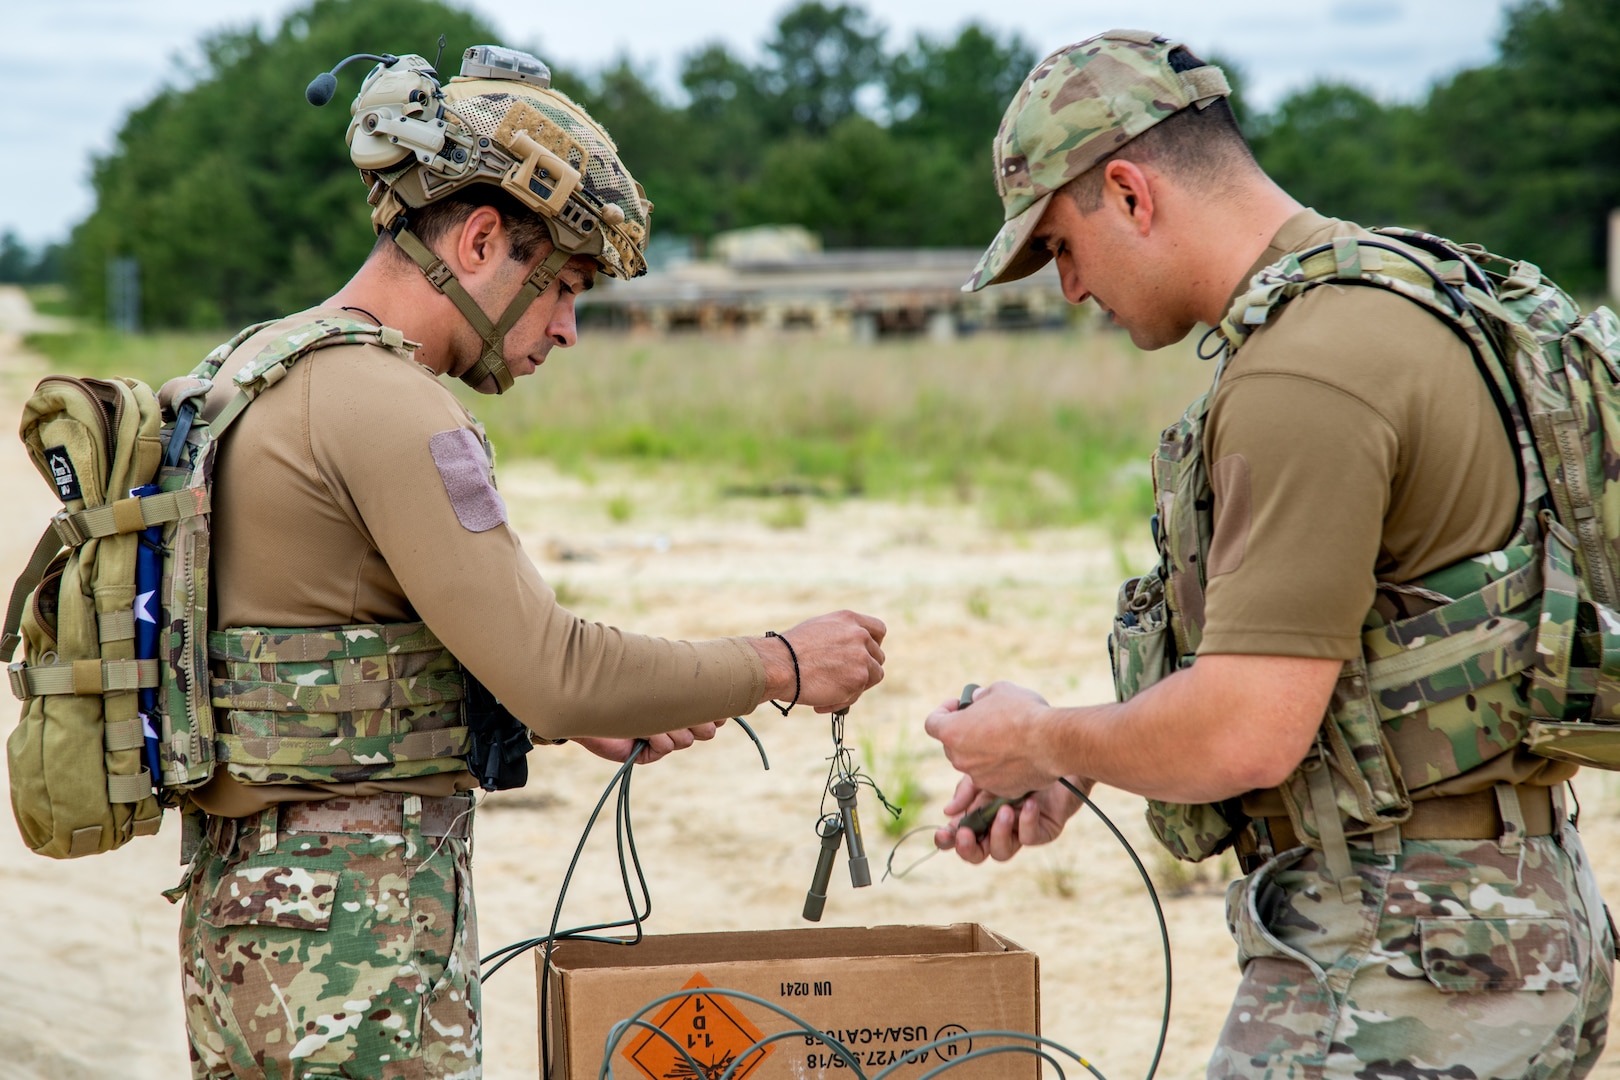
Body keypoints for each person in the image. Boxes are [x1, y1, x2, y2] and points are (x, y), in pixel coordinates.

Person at [170, 46, 886, 1079]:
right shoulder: (392, 404)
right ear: (479, 239)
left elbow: (328, 654)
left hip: (256, 923)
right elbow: (554, 671)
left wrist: (554, 707)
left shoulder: (253, 365)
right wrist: (780, 662)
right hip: (345, 958)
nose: (569, 329)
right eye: (567, 286)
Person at [925, 29, 1613, 1079]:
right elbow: (1379, 674)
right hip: (1498, 927)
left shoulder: (1304, 375)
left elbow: (1249, 729)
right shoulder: (1408, 298)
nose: (1068, 288)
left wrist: (1047, 739)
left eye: (1062, 245)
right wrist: (1081, 760)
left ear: (1129, 191)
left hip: (1400, 967)